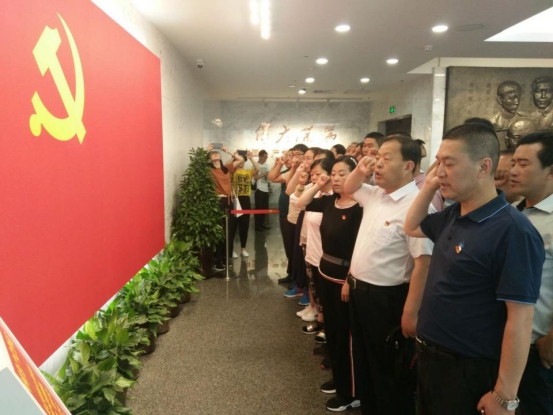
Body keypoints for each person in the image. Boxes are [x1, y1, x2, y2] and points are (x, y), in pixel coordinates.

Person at [404, 123, 544, 415]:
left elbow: (520, 318)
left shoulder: (512, 230)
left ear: (483, 167)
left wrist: (505, 395)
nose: (440, 172)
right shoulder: (453, 213)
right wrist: (430, 185)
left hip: (468, 368)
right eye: (437, 163)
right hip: (431, 357)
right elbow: (412, 225)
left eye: (449, 163)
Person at [343, 136, 434, 415]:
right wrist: (360, 170)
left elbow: (423, 264)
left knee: (388, 373)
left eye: (386, 158)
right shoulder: (375, 195)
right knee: (365, 363)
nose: (378, 163)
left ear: (409, 166)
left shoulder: (417, 206)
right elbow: (349, 188)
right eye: (377, 157)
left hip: (387, 300)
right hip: (360, 293)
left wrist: (410, 313)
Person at [297, 156, 363, 412]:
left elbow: (360, 248)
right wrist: (318, 183)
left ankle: (351, 392)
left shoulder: (360, 207)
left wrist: (349, 279)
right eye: (333, 173)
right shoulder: (329, 202)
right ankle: (340, 379)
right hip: (325, 272)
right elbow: (301, 202)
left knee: (346, 335)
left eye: (341, 173)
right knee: (333, 332)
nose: (335, 178)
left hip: (344, 278)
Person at [510, 131, 553, 415]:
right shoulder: (514, 211)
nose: (513, 170)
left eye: (523, 164)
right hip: (506, 341)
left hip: (538, 346)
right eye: (513, 162)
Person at [206, 144, 243, 272]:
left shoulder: (226, 168)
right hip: (217, 201)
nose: (215, 154)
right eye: (212, 154)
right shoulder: (209, 170)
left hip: (229, 201)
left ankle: (226, 258)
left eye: (217, 153)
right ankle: (218, 260)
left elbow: (240, 160)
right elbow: (198, 164)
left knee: (229, 231)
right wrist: (207, 150)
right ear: (209, 159)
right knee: (219, 231)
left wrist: (228, 151)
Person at [229, 151, 261, 258]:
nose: (241, 161)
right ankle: (231, 249)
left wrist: (251, 158)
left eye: (243, 159)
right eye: (239, 159)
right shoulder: (232, 171)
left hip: (246, 200)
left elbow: (258, 169)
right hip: (235, 199)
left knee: (244, 226)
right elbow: (226, 167)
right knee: (233, 226)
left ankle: (243, 248)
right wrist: (232, 157)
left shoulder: (248, 172)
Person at [254, 150, 270, 231]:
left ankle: (262, 224)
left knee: (264, 208)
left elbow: (268, 175)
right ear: (260, 157)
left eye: (266, 158)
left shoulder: (266, 165)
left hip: (266, 189)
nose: (265, 159)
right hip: (259, 189)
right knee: (258, 208)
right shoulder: (255, 165)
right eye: (264, 158)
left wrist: (268, 175)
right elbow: (255, 177)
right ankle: (257, 225)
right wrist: (264, 174)